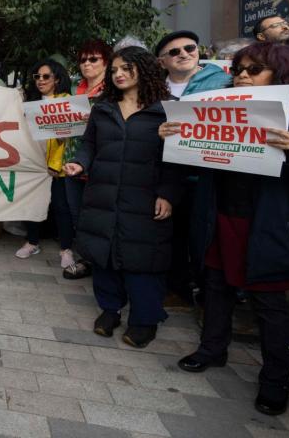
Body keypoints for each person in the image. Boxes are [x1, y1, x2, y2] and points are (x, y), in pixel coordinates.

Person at [162, 42, 289, 416]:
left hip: (269, 226)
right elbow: (195, 162)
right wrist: (175, 137)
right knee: (215, 287)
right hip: (221, 218)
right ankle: (212, 350)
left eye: (255, 69)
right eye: (239, 69)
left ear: (281, 75)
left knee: (269, 305)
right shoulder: (216, 111)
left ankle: (276, 379)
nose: (243, 75)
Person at [63, 46, 179, 349]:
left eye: (126, 68)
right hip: (103, 193)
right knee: (104, 255)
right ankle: (110, 310)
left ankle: (145, 320)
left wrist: (167, 193)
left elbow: (177, 160)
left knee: (143, 260)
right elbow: (89, 145)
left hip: (145, 197)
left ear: (144, 69)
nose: (119, 75)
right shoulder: (104, 107)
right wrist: (80, 163)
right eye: (114, 70)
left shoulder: (169, 110)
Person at [154, 31, 231, 306]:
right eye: (174, 52)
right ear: (162, 62)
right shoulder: (155, 89)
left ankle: (211, 294)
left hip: (211, 174)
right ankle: (178, 289)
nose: (184, 54)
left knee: (207, 238)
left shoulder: (224, 82)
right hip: (169, 173)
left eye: (189, 47)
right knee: (173, 234)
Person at [60, 39, 113, 279]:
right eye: (83, 59)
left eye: (93, 59)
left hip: (101, 164)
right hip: (72, 161)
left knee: (99, 216)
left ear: (106, 62)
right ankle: (86, 259)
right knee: (77, 213)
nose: (87, 64)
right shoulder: (73, 90)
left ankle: (102, 262)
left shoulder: (114, 91)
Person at [18, 59, 75, 270]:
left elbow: (68, 140)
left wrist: (56, 165)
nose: (40, 80)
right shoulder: (30, 102)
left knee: (61, 207)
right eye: (37, 77)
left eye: (46, 76)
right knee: (33, 205)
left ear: (57, 79)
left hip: (57, 168)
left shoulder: (66, 103)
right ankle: (32, 242)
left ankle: (66, 249)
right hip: (34, 165)